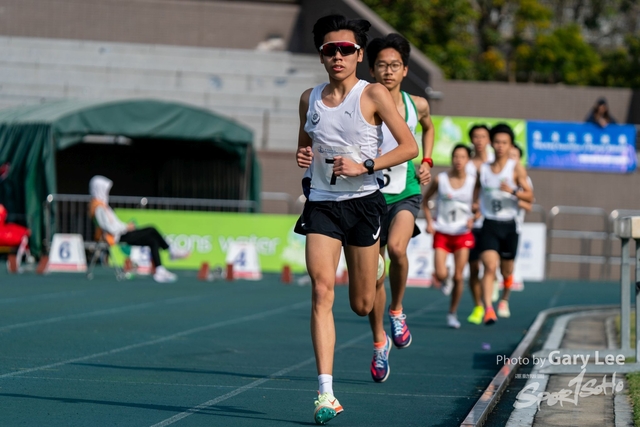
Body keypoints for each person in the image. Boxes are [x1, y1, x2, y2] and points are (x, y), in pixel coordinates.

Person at [294, 15, 418, 425]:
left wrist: (366, 164)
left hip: (365, 204)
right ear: (321, 54)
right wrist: (304, 159)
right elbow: (304, 146)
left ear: (359, 55)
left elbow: (409, 147)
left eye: (346, 49)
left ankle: (377, 271)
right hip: (323, 205)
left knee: (362, 302)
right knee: (321, 289)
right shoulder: (308, 98)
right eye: (330, 49)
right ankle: (325, 393)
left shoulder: (374, 94)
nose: (338, 56)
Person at [364, 33, 434, 383]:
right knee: (374, 272)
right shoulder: (363, 101)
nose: (388, 71)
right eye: (381, 65)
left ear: (405, 70)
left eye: (394, 65)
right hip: (368, 197)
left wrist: (429, 160)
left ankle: (398, 309)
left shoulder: (416, 104)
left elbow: (428, 127)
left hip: (405, 191)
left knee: (397, 248)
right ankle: (379, 342)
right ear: (372, 68)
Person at [473, 124, 533, 324]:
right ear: (491, 143)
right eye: (497, 142)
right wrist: (476, 205)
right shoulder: (485, 169)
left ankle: (504, 298)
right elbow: (478, 188)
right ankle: (488, 309)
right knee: (489, 266)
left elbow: (530, 196)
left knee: (506, 271)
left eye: (504, 143)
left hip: (509, 225)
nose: (500, 146)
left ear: (510, 145)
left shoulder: (515, 168)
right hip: (489, 223)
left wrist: (513, 191)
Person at [89, 175, 189, 283]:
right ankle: (171, 250)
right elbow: (109, 227)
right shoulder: (99, 207)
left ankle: (159, 270)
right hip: (118, 236)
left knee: (152, 240)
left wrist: (126, 226)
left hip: (121, 233)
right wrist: (127, 227)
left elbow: (114, 224)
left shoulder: (102, 206)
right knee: (151, 229)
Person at [423, 144, 476, 329]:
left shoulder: (473, 182)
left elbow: (480, 205)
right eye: (456, 156)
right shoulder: (441, 179)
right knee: (440, 273)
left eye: (462, 157)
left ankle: (452, 313)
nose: (458, 160)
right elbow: (425, 200)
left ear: (468, 160)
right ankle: (446, 277)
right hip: (442, 231)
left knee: (459, 277)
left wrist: (474, 218)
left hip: (462, 233)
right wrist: (429, 222)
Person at [464, 124, 494, 325]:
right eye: (476, 136)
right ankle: (478, 306)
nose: (479, 140)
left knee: (490, 265)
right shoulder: (465, 164)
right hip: (468, 221)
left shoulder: (494, 163)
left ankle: (490, 297)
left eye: (483, 136)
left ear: (489, 140)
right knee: (473, 267)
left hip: (489, 221)